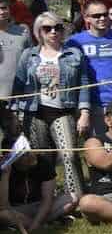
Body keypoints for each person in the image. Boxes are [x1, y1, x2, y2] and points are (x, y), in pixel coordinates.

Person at [10, 11, 92, 203]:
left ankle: (75, 198)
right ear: (39, 32)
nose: (53, 32)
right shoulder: (28, 55)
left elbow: (84, 82)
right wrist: (15, 113)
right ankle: (44, 198)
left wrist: (85, 112)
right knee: (43, 159)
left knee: (69, 155)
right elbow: (18, 85)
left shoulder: (74, 54)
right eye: (47, 28)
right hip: (34, 112)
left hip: (63, 111)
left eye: (58, 28)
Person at [68, 0, 112, 137]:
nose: (102, 18)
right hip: (92, 105)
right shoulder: (74, 41)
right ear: (86, 18)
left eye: (105, 14)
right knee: (97, 150)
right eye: (96, 16)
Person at [0, 134, 74, 234]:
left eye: (30, 149)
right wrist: (5, 174)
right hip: (15, 209)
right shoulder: (4, 169)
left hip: (38, 206)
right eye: (24, 154)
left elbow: (47, 199)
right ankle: (48, 222)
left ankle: (37, 222)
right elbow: (3, 205)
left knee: (72, 198)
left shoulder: (43, 163)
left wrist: (35, 226)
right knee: (2, 214)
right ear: (12, 158)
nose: (31, 155)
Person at [0, 0, 33, 125]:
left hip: (18, 97)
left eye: (4, 8)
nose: (1, 12)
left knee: (17, 138)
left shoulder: (23, 31)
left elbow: (31, 59)